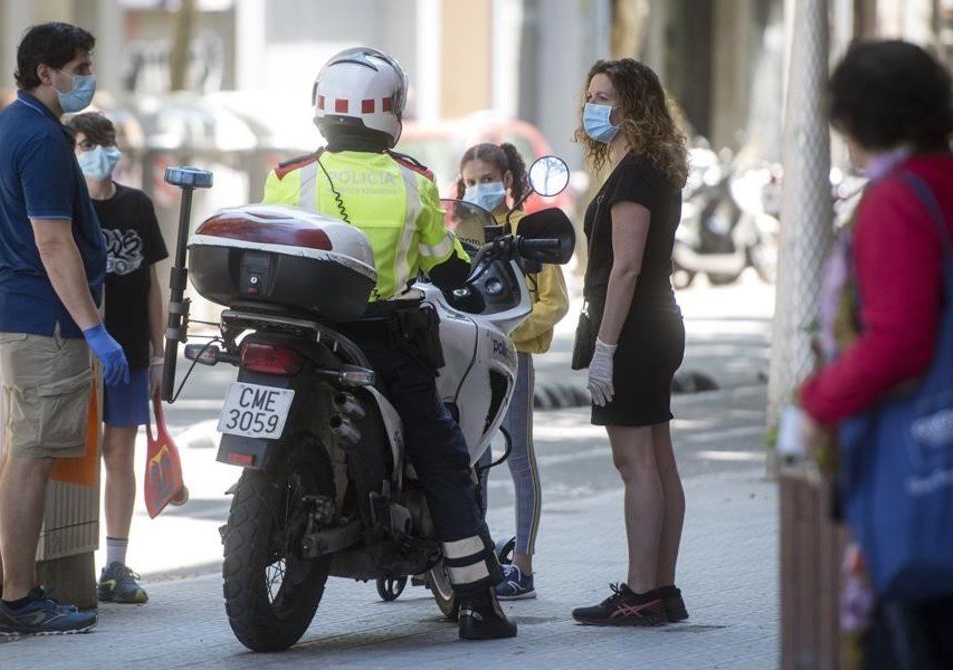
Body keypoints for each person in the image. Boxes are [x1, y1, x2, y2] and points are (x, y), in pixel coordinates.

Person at [261, 46, 516, 641]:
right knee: (445, 458)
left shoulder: (289, 176)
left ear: (324, 107)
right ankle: (478, 601)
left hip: (297, 339)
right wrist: (469, 268)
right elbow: (443, 264)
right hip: (381, 341)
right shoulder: (412, 181)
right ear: (390, 112)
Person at [799, 41, 953, 669]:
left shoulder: (898, 201)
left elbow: (899, 341)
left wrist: (816, 403)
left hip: (928, 452)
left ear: (858, 118)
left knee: (924, 642)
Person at [0, 22, 130, 637]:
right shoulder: (39, 138)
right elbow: (53, 240)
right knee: (32, 456)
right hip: (46, 320)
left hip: (21, 311)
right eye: (80, 64)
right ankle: (19, 598)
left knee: (18, 451)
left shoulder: (15, 123)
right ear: (47, 71)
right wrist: (93, 329)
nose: (87, 74)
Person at [569, 58, 689, 627]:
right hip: (655, 324)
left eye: (605, 97)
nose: (594, 106)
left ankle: (642, 592)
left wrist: (606, 350)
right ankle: (662, 590)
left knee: (635, 462)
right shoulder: (643, 168)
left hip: (636, 329)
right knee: (658, 460)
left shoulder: (635, 174)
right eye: (591, 95)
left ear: (633, 106)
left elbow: (625, 268)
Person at [64, 111, 169, 605]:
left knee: (118, 454)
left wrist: (159, 352)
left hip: (129, 351)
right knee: (70, 455)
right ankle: (64, 563)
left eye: (105, 141)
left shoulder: (137, 205)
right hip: (77, 351)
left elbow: (151, 285)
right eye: (87, 144)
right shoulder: (65, 209)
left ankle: (115, 564)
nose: (99, 151)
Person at [458, 143, 568, 601]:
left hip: (512, 360)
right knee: (470, 461)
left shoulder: (531, 231)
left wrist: (512, 332)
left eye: (485, 179)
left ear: (506, 181)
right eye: (468, 182)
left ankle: (522, 565)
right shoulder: (458, 232)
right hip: (466, 359)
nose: (476, 189)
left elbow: (555, 302)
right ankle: (473, 560)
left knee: (518, 457)